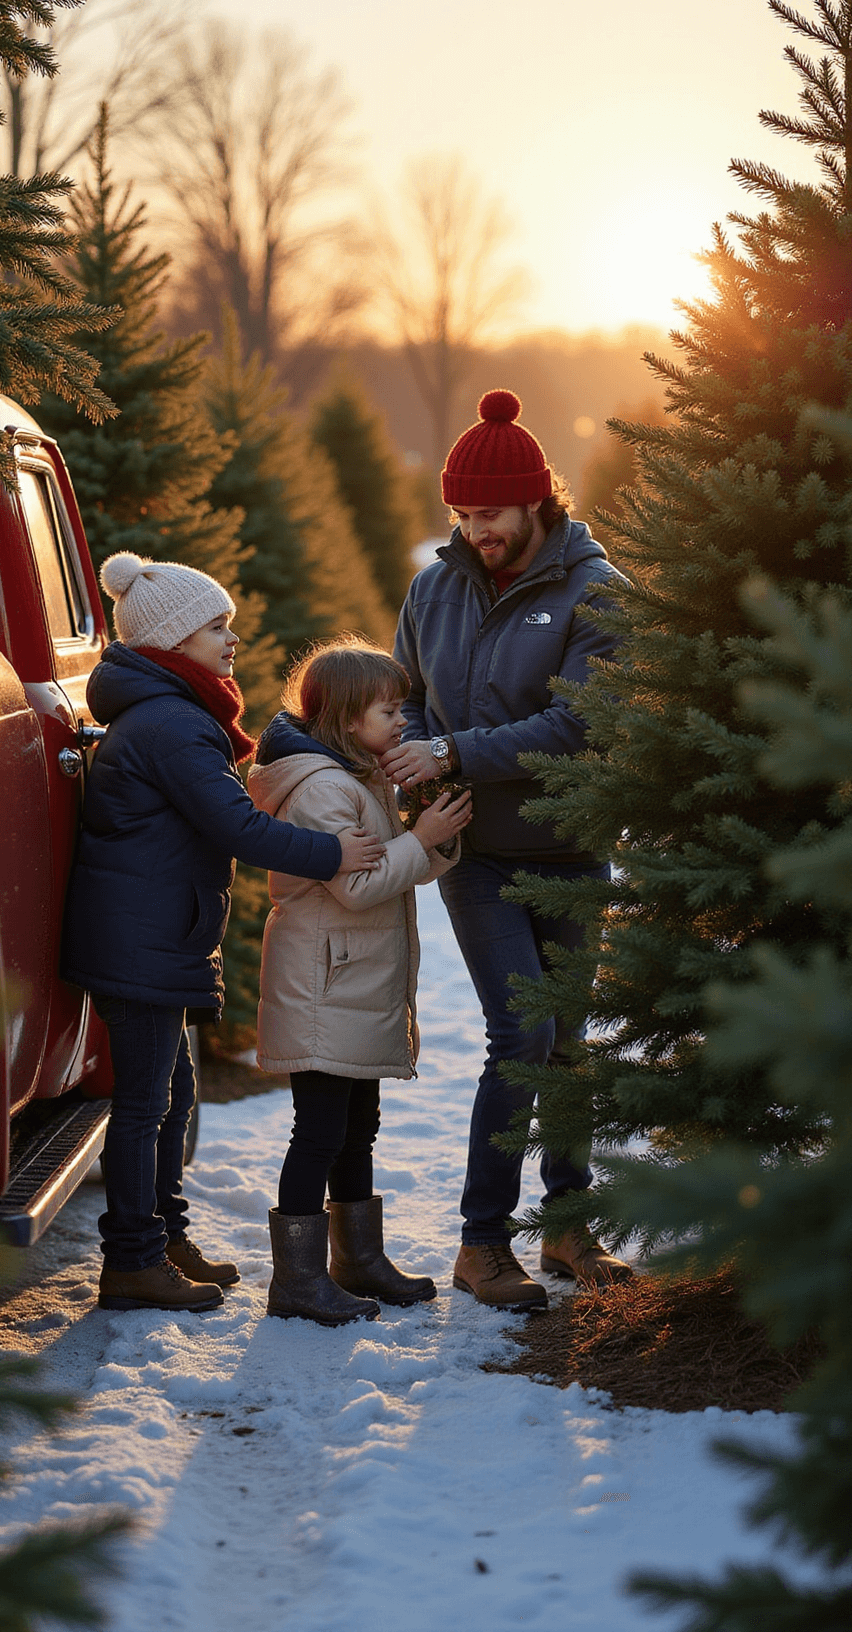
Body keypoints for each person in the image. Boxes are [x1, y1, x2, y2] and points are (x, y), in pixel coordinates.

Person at [62, 556, 385, 1316]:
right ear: (174, 642)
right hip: (138, 941)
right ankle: (132, 1260)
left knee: (172, 1095)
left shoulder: (174, 712)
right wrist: (332, 852)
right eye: (216, 627)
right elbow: (237, 827)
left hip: (153, 935)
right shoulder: (174, 724)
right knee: (144, 1105)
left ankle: (164, 1238)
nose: (232, 639)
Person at [381, 390, 634, 1308]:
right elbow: (402, 694)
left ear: (537, 502)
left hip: (570, 850)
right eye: (462, 515)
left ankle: (569, 1227)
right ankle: (482, 1243)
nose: (474, 530)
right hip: (475, 851)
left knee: (569, 1041)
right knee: (520, 1033)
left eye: (489, 514)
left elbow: (579, 725)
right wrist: (415, 757)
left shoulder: (596, 592)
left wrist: (452, 749)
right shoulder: (433, 587)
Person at [248, 638, 472, 1325]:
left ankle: (358, 1261)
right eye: (389, 708)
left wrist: (432, 836)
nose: (402, 718)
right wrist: (419, 836)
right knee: (318, 1130)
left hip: (350, 980)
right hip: (322, 982)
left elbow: (393, 868)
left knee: (358, 1127)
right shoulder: (322, 788)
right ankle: (296, 1280)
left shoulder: (360, 775)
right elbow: (359, 886)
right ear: (349, 719)